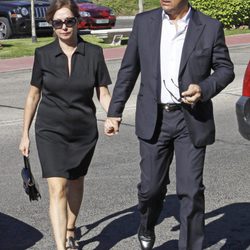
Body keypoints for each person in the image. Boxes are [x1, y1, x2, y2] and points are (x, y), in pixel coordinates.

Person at [104, 0, 235, 249]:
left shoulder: (209, 26)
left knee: (191, 191)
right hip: (154, 118)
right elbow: (129, 69)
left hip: (192, 119)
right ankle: (147, 223)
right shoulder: (144, 23)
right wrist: (114, 112)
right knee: (151, 189)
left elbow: (225, 69)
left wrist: (204, 88)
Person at [19, 0, 112, 249]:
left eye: (69, 21)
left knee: (76, 181)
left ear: (77, 21)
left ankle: (70, 228)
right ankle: (61, 246)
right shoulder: (43, 54)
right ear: (52, 25)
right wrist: (24, 134)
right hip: (50, 130)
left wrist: (113, 114)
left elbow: (102, 92)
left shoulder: (93, 53)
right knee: (56, 187)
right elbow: (33, 95)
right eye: (58, 23)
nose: (64, 27)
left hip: (83, 131)